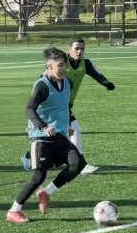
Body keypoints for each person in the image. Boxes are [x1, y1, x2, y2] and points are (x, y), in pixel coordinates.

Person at [6, 47, 87, 223]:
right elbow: (29, 109)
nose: (63, 69)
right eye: (59, 66)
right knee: (38, 176)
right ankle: (14, 210)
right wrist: (43, 127)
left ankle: (46, 193)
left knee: (77, 165)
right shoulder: (42, 86)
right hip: (42, 138)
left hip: (60, 136)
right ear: (49, 67)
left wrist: (67, 125)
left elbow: (64, 106)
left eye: (64, 65)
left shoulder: (68, 83)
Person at [21, 37, 114, 175]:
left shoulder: (85, 63)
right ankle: (81, 166)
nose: (79, 51)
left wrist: (106, 83)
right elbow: (44, 79)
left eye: (82, 48)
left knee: (57, 135)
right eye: (76, 48)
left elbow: (96, 73)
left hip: (65, 106)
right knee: (75, 129)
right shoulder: (60, 63)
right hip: (52, 107)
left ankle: (29, 158)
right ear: (69, 49)